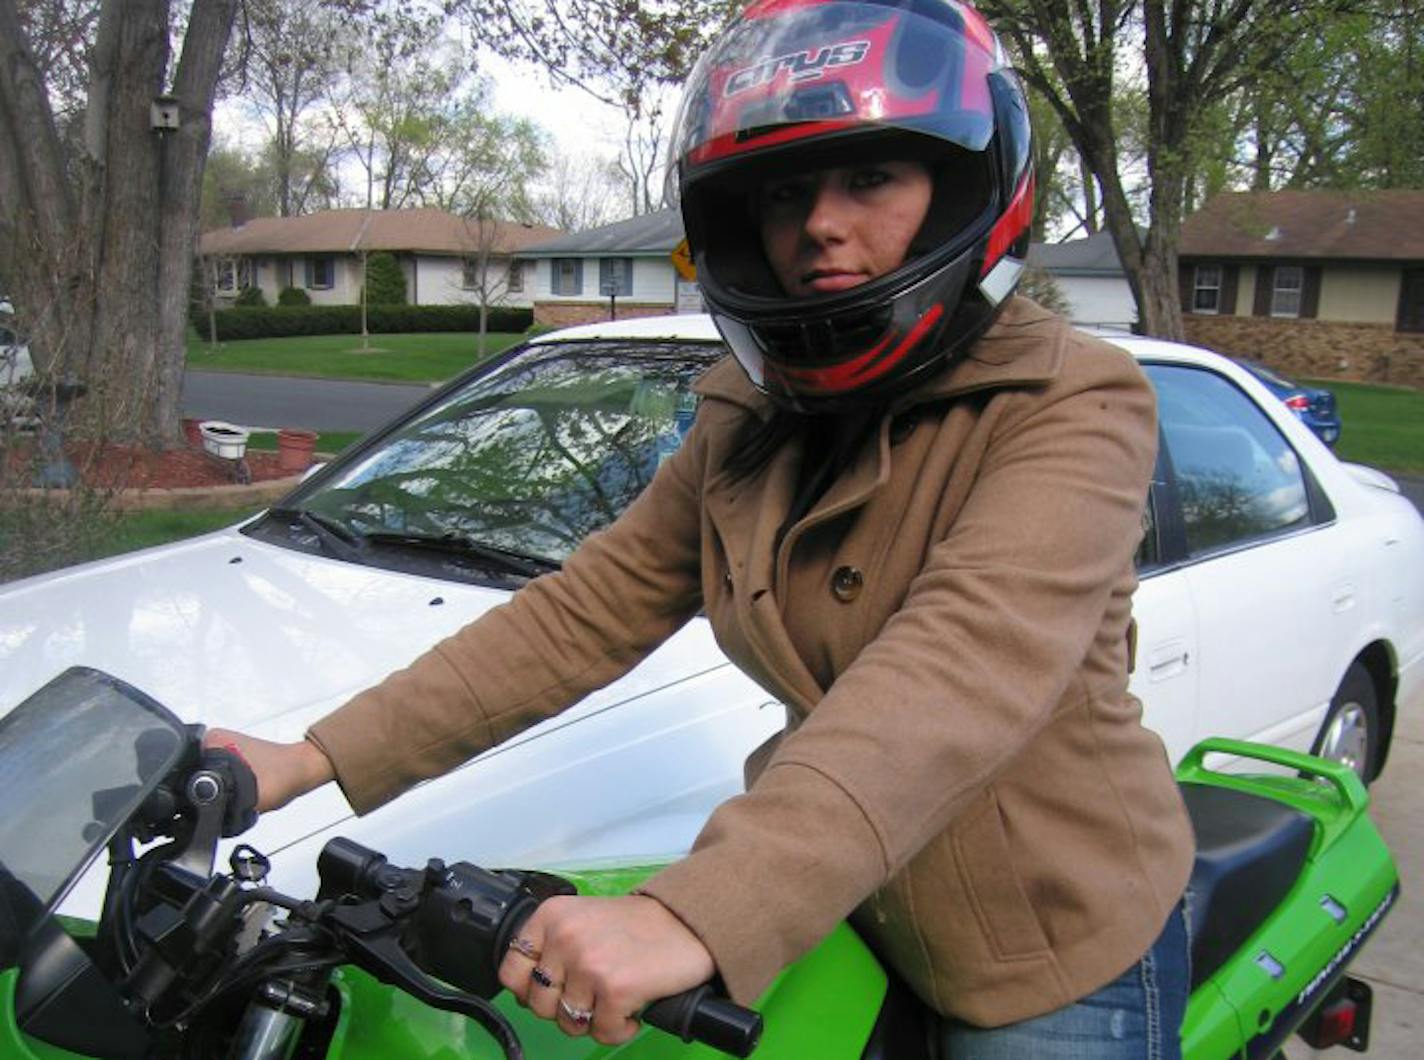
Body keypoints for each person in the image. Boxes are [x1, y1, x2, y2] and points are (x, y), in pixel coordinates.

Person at [214, 0, 1196, 1055]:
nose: (819, 224)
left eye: (869, 178)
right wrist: (307, 758)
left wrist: (692, 909)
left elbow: (958, 671)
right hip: (845, 899)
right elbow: (579, 615)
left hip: (1037, 946)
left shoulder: (1073, 403)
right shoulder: (751, 415)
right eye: (783, 191)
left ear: (960, 185)